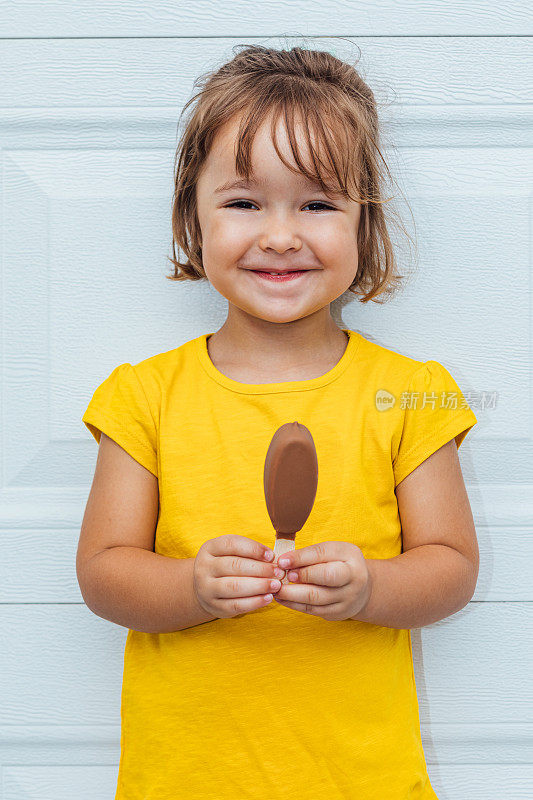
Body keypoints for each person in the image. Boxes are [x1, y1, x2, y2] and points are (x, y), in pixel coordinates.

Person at [77, 43, 479, 800]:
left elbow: (450, 566)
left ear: (365, 221)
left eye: (317, 203)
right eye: (243, 202)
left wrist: (371, 590)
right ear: (191, 220)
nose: (280, 234)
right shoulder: (143, 396)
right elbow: (104, 572)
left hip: (362, 781)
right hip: (183, 782)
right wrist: (190, 590)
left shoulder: (408, 392)